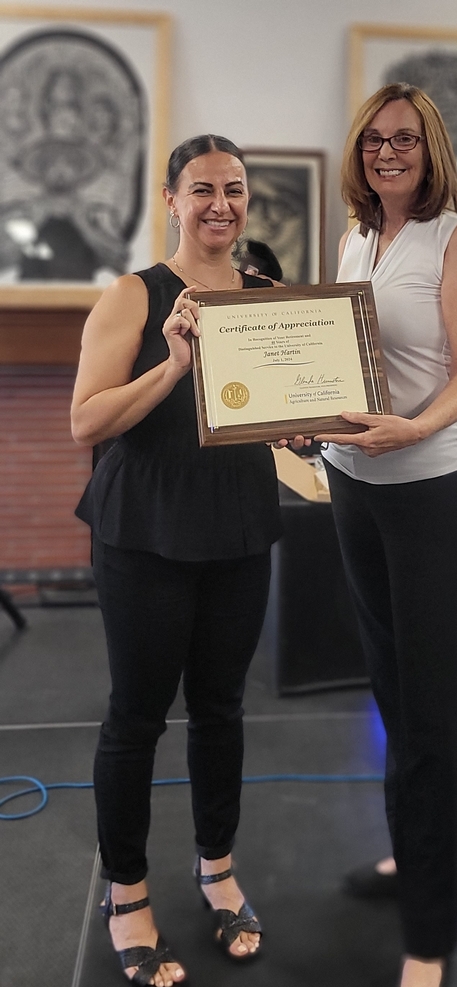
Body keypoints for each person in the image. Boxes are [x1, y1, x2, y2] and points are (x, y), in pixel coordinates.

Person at [71, 134, 283, 986]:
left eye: (234, 189)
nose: (220, 205)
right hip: (145, 531)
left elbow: (270, 414)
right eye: (203, 189)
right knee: (137, 717)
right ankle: (125, 891)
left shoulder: (268, 295)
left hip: (238, 527)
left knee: (223, 709)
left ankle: (216, 864)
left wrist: (304, 425)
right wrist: (174, 363)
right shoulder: (134, 295)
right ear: (171, 198)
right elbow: (87, 421)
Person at [315, 83, 457, 987]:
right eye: (375, 140)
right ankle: (412, 855)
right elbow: (339, 359)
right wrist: (303, 417)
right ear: (359, 152)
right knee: (389, 689)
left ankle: (430, 934)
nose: (389, 152)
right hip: (356, 482)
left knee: (429, 706)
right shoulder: (356, 237)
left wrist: (412, 430)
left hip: (432, 481)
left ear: (430, 150)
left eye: (406, 139)